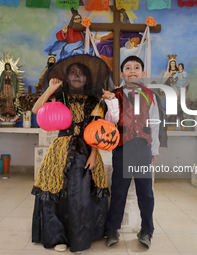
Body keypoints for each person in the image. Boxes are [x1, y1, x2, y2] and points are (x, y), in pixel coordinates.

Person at [31, 55, 116, 253]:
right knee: (57, 192)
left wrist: (94, 154)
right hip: (60, 151)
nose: (77, 76)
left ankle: (81, 237)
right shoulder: (58, 96)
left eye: (81, 74)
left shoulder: (95, 100)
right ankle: (58, 237)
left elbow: (97, 128)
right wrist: (50, 89)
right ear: (67, 77)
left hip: (87, 150)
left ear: (87, 79)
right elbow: (36, 110)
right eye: (73, 72)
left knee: (81, 195)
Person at [104, 56, 167, 249]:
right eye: (128, 68)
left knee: (146, 192)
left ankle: (147, 229)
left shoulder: (151, 95)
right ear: (122, 73)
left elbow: (155, 124)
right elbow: (109, 122)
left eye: (137, 67)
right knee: (118, 190)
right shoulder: (115, 95)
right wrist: (111, 103)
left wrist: (154, 150)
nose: (132, 71)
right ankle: (112, 229)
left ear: (142, 73)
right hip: (122, 148)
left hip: (143, 149)